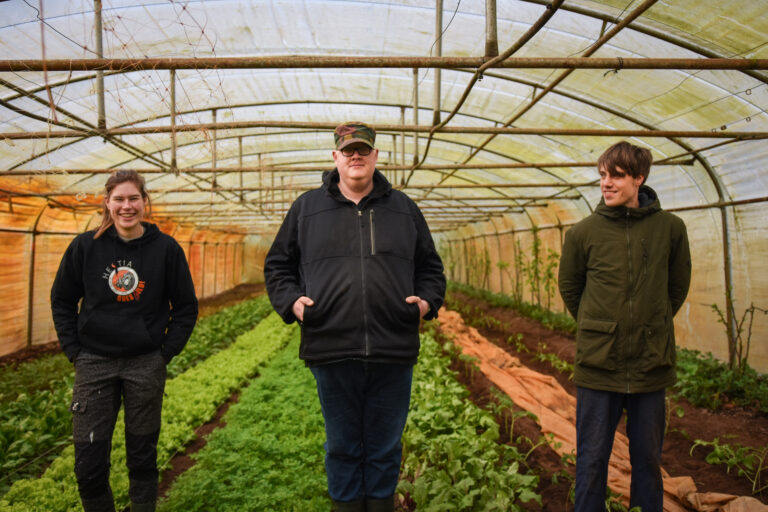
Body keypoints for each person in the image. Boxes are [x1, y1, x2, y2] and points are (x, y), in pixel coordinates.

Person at [264, 121, 446, 512]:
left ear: (376, 157)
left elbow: (431, 268)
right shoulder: (307, 209)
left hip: (392, 348)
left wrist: (426, 303)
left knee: (384, 447)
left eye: (363, 150)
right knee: (343, 446)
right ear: (335, 157)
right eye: (348, 151)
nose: (356, 157)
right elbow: (278, 266)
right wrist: (293, 303)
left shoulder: (404, 209)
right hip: (331, 346)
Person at [50, 170, 198, 512]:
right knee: (88, 459)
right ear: (107, 203)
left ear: (145, 202)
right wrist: (74, 350)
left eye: (133, 198)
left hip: (145, 363)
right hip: (94, 363)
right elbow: (62, 300)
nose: (126, 206)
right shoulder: (85, 247)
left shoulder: (166, 249)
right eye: (119, 199)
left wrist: (164, 352)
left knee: (142, 454)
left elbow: (186, 307)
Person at [558, 141, 692, 511]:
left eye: (616, 175)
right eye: (602, 175)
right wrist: (598, 326)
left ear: (639, 179)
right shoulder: (584, 233)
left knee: (648, 460)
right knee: (591, 458)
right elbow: (571, 287)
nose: (606, 183)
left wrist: (653, 323)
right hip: (599, 365)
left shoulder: (670, 229)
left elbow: (677, 286)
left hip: (651, 363)